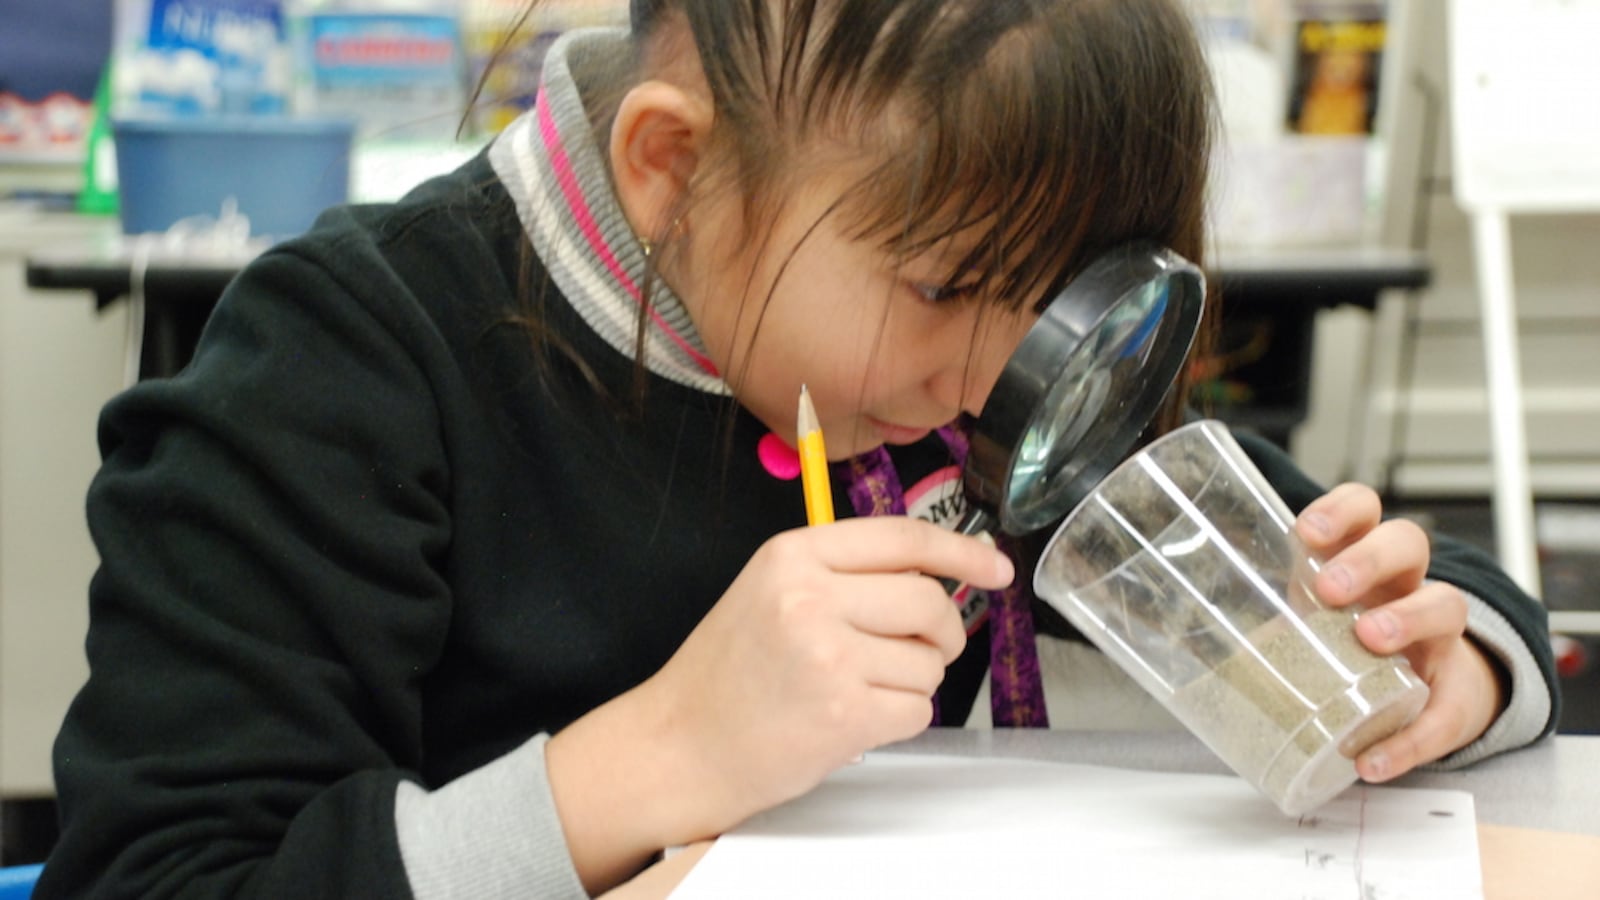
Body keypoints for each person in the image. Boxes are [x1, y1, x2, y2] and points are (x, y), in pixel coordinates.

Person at [38, 1, 1557, 897]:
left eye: (1057, 295)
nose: (994, 372)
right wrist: (655, 758)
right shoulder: (349, 363)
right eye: (950, 285)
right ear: (674, 164)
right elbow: (163, 876)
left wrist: (1438, 662)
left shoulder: (986, 376)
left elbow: (1397, 592)